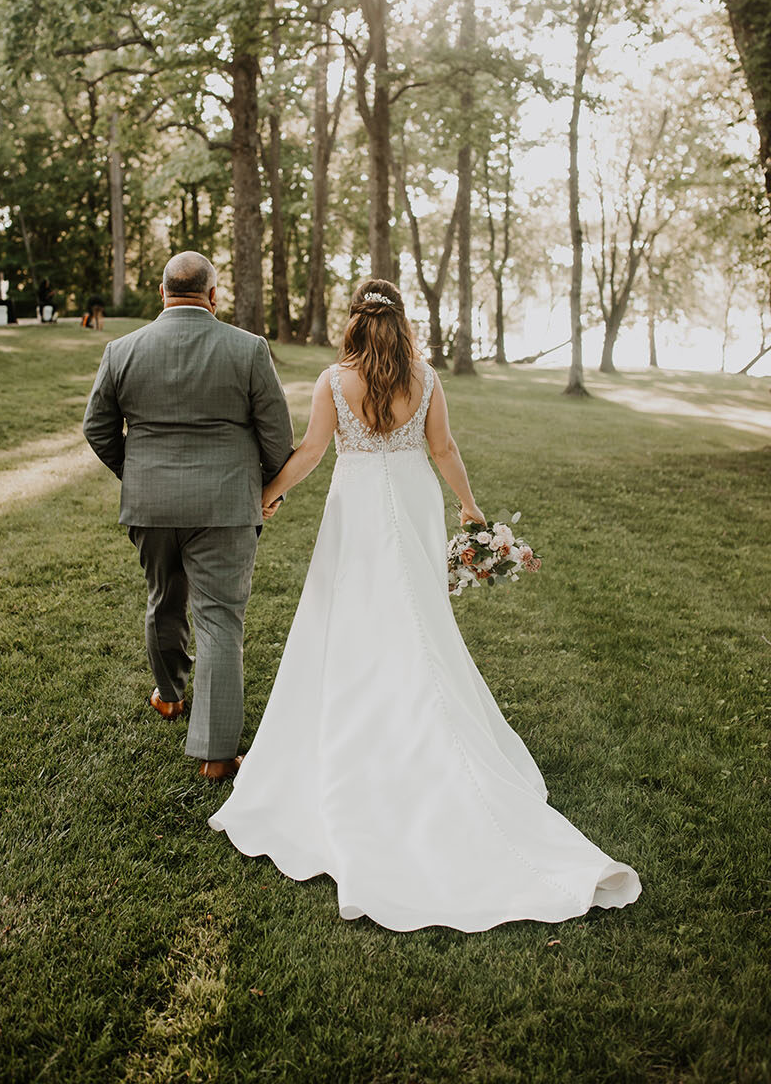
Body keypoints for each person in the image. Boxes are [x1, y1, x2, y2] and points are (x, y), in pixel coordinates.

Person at [209, 278, 641, 932]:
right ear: (401, 321)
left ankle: (369, 722)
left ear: (353, 322)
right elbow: (443, 450)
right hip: (412, 504)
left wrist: (270, 493)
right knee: (417, 618)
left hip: (355, 509)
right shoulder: (427, 378)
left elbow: (313, 453)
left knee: (354, 619)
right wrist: (470, 508)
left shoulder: (334, 381)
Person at [83, 252, 293, 780]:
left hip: (150, 504)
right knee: (220, 618)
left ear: (162, 293)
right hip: (225, 506)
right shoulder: (247, 349)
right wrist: (268, 490)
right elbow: (277, 436)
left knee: (162, 596)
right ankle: (217, 756)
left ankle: (171, 696)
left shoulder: (122, 349)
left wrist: (135, 474)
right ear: (213, 295)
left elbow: (97, 427)